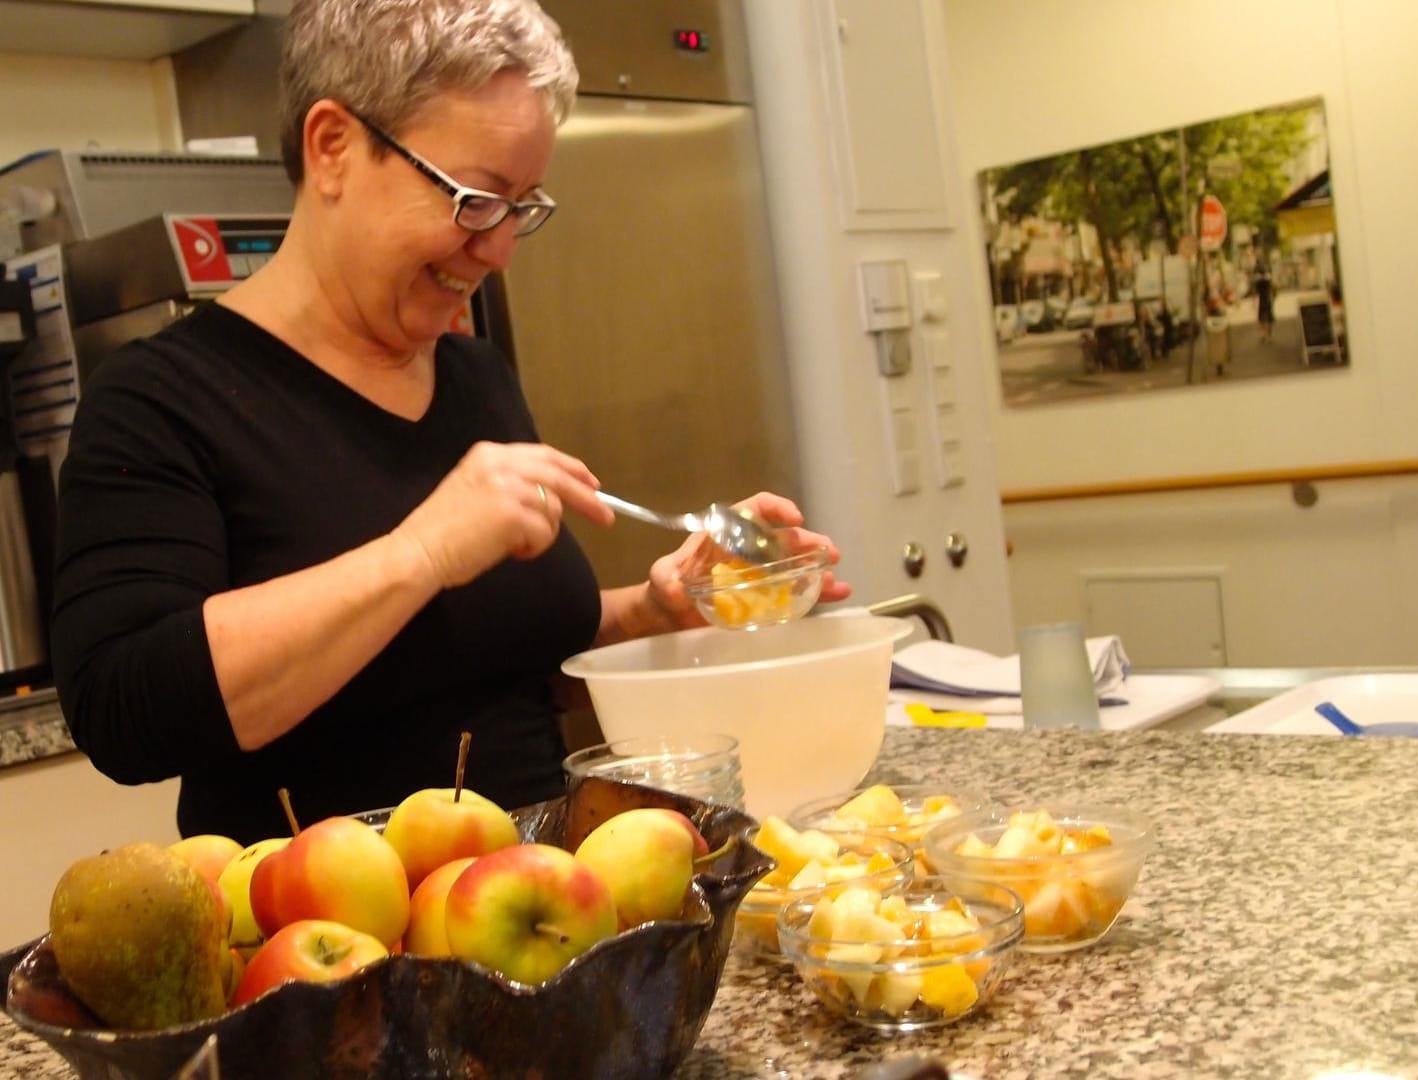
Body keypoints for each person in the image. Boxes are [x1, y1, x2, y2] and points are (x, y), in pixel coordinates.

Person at [50, 0, 848, 843]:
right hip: (330, 940)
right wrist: (422, 552)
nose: (500, 248)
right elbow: (123, 713)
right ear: (333, 148)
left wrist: (652, 612)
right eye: (476, 200)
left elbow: (491, 661)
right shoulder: (162, 398)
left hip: (543, 902)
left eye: (523, 207)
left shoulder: (474, 377)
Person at [1252, 262, 1275, 343]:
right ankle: (1269, 335)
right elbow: (1273, 289)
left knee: (1262, 318)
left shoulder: (1257, 280)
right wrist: (1273, 297)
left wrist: (1253, 302)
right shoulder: (1268, 278)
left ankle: (1263, 335)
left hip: (1261, 301)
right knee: (1269, 318)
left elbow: (1255, 292)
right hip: (1268, 299)